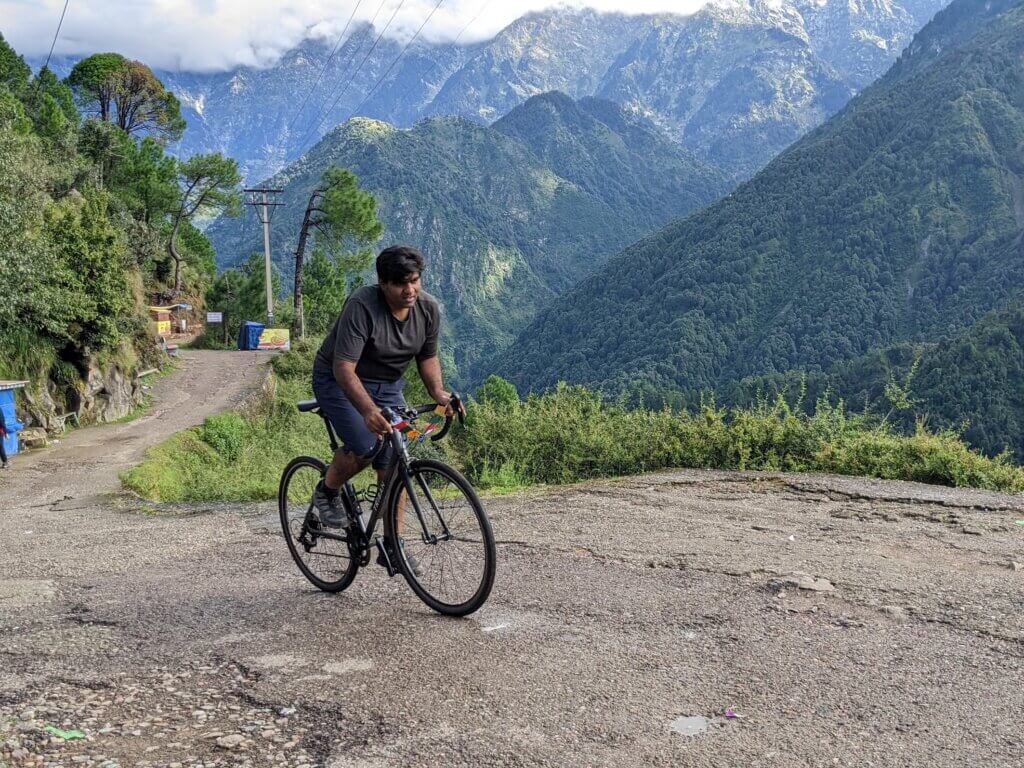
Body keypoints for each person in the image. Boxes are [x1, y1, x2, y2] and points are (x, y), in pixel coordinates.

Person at [310, 245, 463, 539]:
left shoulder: (428, 309)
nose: (409, 290)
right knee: (367, 446)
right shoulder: (362, 306)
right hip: (338, 380)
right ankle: (327, 492)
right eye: (400, 283)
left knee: (394, 462)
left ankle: (395, 544)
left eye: (414, 280)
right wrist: (368, 411)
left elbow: (427, 357)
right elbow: (344, 368)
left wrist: (439, 393)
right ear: (383, 283)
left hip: (388, 385)